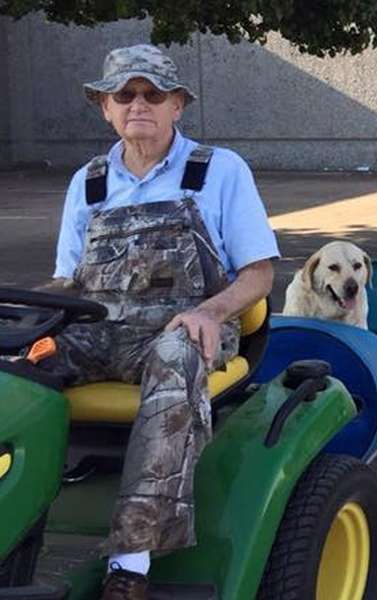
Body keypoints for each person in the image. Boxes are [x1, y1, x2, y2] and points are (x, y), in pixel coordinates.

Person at [37, 44, 278, 600]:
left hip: (182, 328)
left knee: (174, 359)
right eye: (124, 94)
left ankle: (131, 566)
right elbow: (67, 283)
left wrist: (211, 311)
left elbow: (260, 274)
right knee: (18, 362)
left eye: (152, 93)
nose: (137, 103)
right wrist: (32, 322)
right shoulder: (89, 183)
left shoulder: (218, 171)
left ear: (178, 106)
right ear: (105, 108)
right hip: (98, 330)